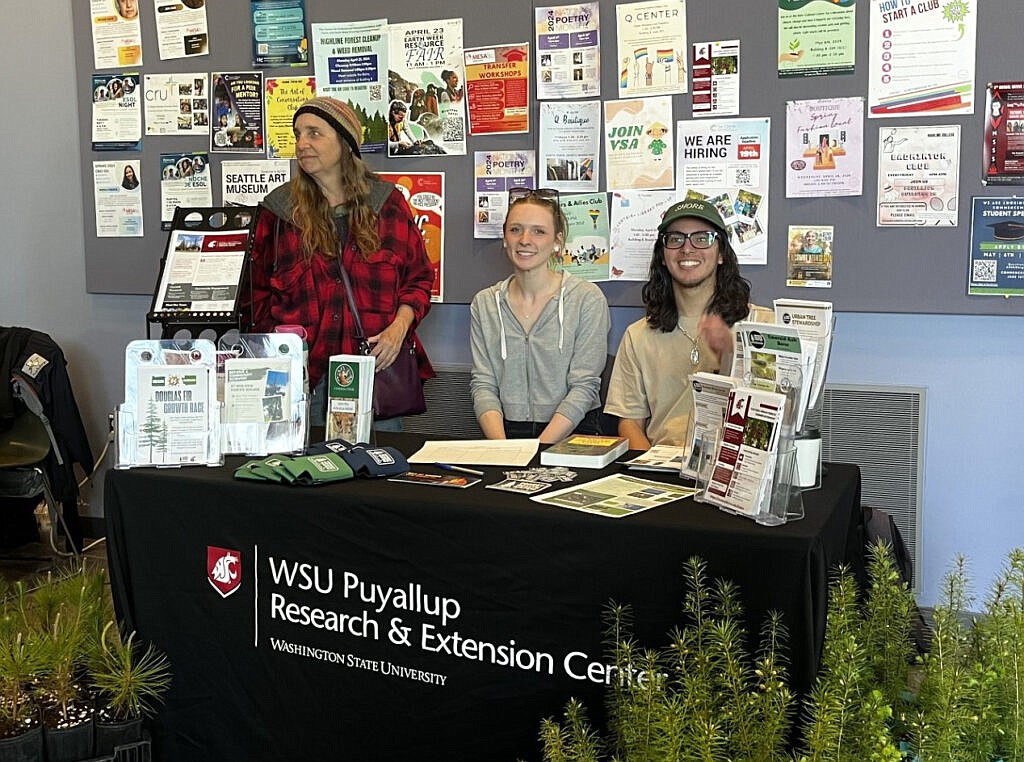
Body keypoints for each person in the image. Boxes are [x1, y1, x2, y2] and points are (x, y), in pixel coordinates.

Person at [248, 96, 435, 426]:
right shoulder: (279, 211)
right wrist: (275, 356)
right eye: (298, 134)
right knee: (305, 473)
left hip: (374, 374)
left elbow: (418, 279)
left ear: (345, 142)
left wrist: (398, 329)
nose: (302, 143)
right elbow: (256, 295)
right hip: (302, 382)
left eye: (314, 133)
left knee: (375, 472)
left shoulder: (386, 204)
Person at [604, 199, 772, 450]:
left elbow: (781, 412)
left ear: (721, 254)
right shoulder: (637, 335)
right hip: (660, 471)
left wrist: (733, 355)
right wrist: (647, 472)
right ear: (663, 256)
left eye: (702, 238)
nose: (687, 249)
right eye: (675, 239)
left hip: (737, 472)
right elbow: (629, 423)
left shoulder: (761, 326)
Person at [470, 188, 609, 442]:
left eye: (538, 231)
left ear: (557, 241)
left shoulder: (586, 299)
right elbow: (484, 385)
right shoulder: (485, 304)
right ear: (504, 238)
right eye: (515, 230)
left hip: (572, 431)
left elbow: (585, 386)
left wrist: (538, 449)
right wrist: (503, 451)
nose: (525, 239)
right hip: (504, 433)